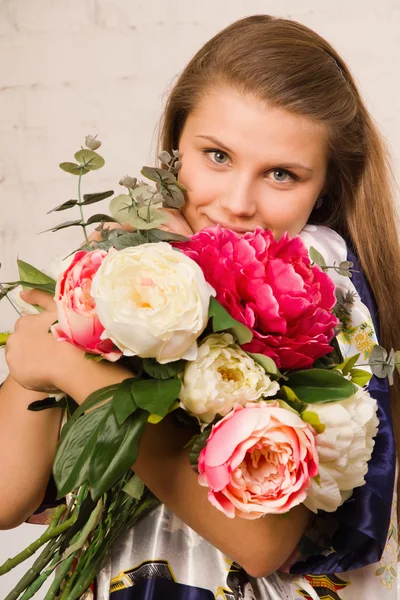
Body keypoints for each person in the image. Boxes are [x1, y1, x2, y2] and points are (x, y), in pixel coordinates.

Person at [1, 13, 399, 600]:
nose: (238, 202)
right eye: (216, 156)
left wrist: (70, 367)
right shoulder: (140, 266)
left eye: (282, 175)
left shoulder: (319, 290)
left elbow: (263, 546)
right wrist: (41, 355)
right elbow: (8, 496)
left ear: (326, 188)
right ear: (175, 146)